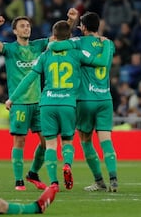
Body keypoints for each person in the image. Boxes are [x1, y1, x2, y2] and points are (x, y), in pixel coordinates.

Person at [6, 20, 112, 190]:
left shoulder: (45, 55)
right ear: (70, 36)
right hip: (68, 104)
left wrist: (12, 98)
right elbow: (100, 63)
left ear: (53, 36)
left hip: (47, 103)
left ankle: (54, 182)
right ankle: (67, 165)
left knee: (50, 144)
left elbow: (29, 79)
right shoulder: (76, 54)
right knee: (67, 141)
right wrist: (106, 45)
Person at [0, 8, 78, 191]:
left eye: (28, 25)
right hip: (20, 102)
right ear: (15, 31)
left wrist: (70, 22)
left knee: (46, 142)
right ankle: (18, 181)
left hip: (39, 103)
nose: (26, 28)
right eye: (22, 26)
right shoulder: (10, 49)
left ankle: (33, 173)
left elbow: (60, 36)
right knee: (19, 141)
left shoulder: (38, 46)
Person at [50, 12, 118, 192]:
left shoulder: (78, 42)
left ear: (84, 27)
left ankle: (99, 181)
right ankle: (113, 178)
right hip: (105, 98)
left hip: (85, 99)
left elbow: (54, 45)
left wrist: (71, 27)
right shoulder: (109, 43)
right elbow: (105, 56)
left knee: (86, 141)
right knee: (106, 139)